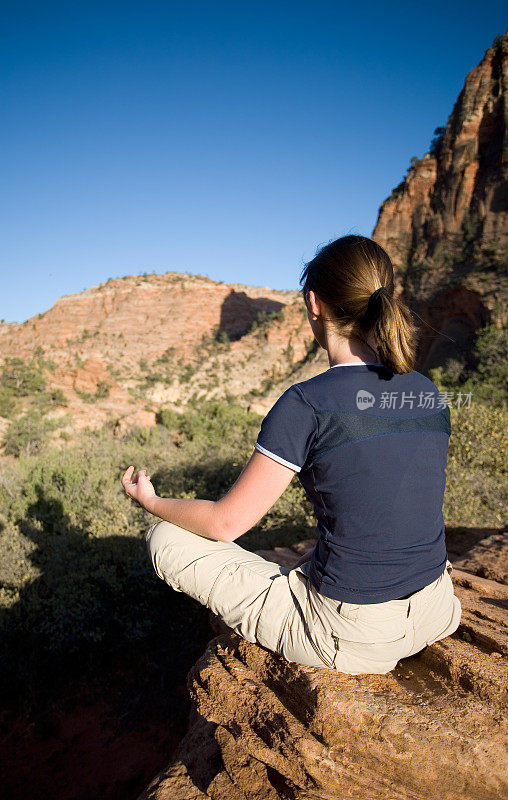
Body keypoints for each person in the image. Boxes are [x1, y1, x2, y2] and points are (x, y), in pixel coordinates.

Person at [121, 234, 462, 675]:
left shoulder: (307, 403)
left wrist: (151, 502)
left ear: (314, 303)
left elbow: (227, 523)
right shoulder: (426, 391)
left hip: (352, 634)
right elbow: (387, 499)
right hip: (437, 606)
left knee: (164, 539)